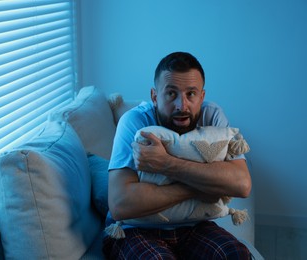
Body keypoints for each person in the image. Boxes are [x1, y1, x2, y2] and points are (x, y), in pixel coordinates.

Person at [103, 51, 252, 259]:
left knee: (235, 254)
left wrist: (166, 163)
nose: (182, 106)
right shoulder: (134, 122)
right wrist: (201, 187)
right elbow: (120, 204)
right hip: (134, 230)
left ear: (202, 96)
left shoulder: (212, 116)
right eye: (171, 93)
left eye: (191, 94)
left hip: (194, 227)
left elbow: (242, 184)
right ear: (155, 96)